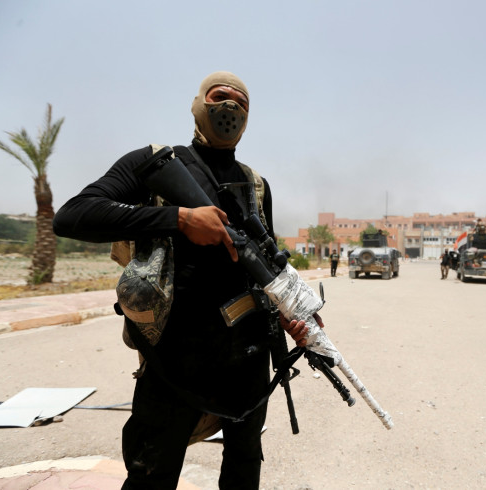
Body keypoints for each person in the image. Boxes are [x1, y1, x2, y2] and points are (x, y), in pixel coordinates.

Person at [53, 71, 318, 490]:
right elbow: (72, 216)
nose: (230, 108)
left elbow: (264, 264)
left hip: (248, 362)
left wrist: (294, 315)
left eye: (241, 103)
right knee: (151, 474)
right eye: (219, 97)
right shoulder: (156, 161)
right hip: (174, 361)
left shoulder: (257, 185)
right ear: (198, 103)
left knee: (244, 470)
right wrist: (178, 219)